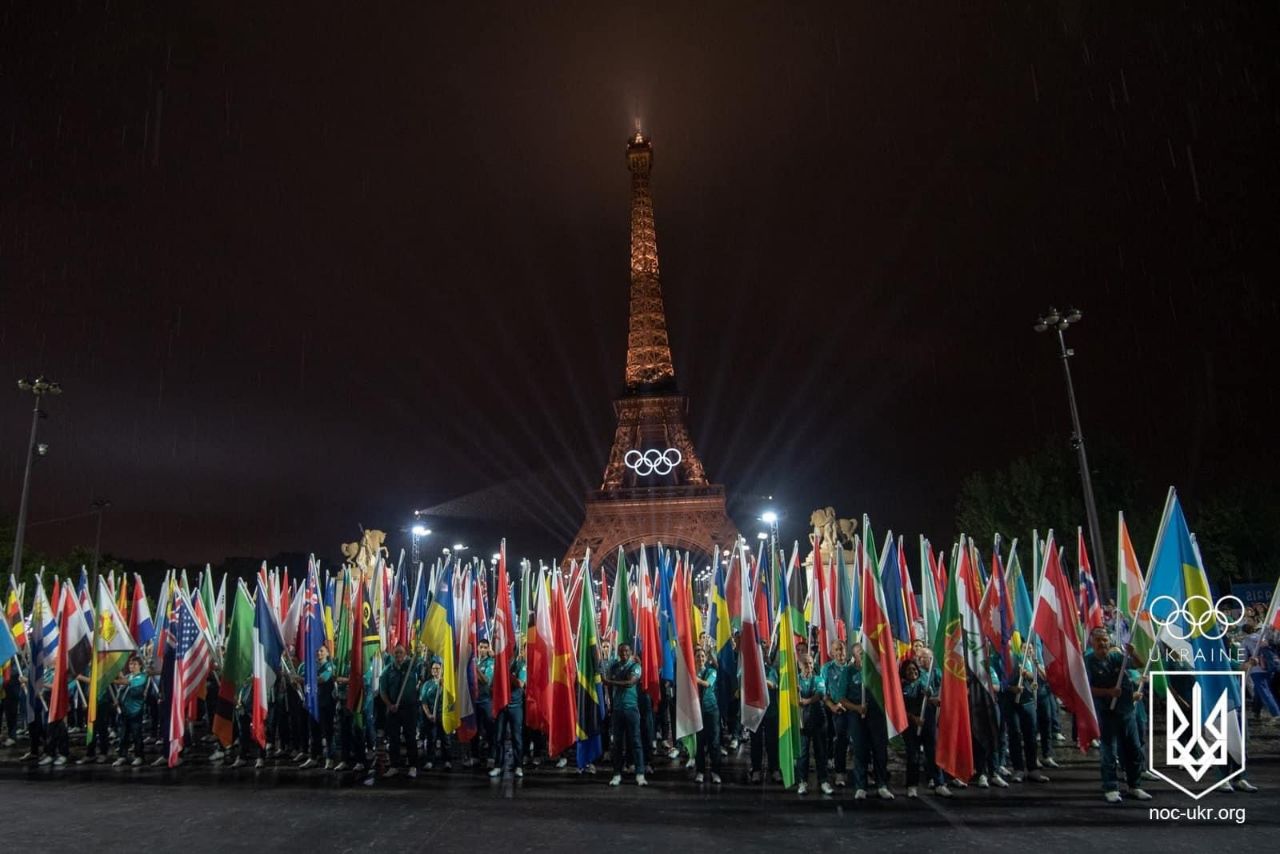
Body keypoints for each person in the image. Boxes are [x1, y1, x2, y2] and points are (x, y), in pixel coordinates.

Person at [1084, 626, 1150, 803]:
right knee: (1109, 751)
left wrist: (1132, 653)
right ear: (1092, 642)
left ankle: (1134, 785)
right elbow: (1086, 689)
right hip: (1106, 713)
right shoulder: (1088, 661)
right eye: (1098, 640)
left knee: (1134, 749)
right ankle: (1111, 787)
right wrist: (1108, 692)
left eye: (1105, 639)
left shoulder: (1116, 657)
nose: (1102, 643)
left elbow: (1138, 664)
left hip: (1126, 711)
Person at [843, 643, 892, 800]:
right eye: (859, 653)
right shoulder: (848, 671)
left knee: (880, 750)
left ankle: (882, 785)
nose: (863, 655)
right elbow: (841, 698)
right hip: (857, 715)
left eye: (865, 652)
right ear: (854, 655)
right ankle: (861, 786)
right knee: (860, 750)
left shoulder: (878, 671)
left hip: (876, 715)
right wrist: (857, 708)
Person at [604, 642, 646, 786]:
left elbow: (630, 682)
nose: (624, 654)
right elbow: (609, 686)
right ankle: (617, 774)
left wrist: (610, 681)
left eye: (626, 651)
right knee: (617, 743)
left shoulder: (635, 666)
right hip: (617, 710)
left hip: (631, 709)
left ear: (630, 652)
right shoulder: (614, 666)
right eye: (621, 651)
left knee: (635, 741)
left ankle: (640, 774)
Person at [378, 644, 419, 778]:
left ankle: (413, 766)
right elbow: (383, 691)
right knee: (393, 738)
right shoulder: (387, 670)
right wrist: (389, 705)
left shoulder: (412, 666)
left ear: (405, 654)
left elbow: (423, 666)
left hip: (409, 708)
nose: (399, 656)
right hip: (394, 709)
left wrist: (419, 651)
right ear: (392, 654)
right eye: (396, 653)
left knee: (410, 737)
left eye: (401, 653)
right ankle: (394, 766)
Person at [795, 652, 830, 795]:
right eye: (805, 663)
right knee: (802, 754)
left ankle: (823, 781)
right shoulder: (795, 680)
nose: (809, 666)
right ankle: (802, 781)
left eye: (810, 663)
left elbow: (820, 694)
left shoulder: (818, 678)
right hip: (802, 722)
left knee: (821, 752)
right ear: (799, 665)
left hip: (818, 720)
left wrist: (806, 701)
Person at [490, 653, 526, 778]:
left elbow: (521, 684)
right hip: (501, 706)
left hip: (515, 707)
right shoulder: (498, 666)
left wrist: (507, 674)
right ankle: (498, 766)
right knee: (499, 738)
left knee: (517, 738)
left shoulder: (520, 665)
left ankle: (518, 766)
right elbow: (492, 685)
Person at [301, 645, 336, 769]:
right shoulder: (312, 667)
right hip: (314, 704)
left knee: (328, 732)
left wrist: (303, 680)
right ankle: (314, 757)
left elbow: (322, 679)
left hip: (327, 704)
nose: (319, 653)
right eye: (318, 651)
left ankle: (330, 758)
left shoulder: (330, 666)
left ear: (327, 653)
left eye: (322, 651)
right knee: (314, 731)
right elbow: (306, 682)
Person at [822, 640, 850, 786]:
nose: (840, 652)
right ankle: (839, 772)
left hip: (850, 709)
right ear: (832, 653)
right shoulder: (827, 668)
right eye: (836, 650)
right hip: (832, 709)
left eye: (842, 649)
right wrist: (832, 706)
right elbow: (823, 691)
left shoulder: (851, 668)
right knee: (838, 739)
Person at [749, 650, 780, 783]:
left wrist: (759, 677)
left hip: (770, 712)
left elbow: (772, 684)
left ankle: (774, 769)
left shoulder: (771, 670)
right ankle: (756, 769)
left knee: (771, 742)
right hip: (754, 712)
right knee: (755, 742)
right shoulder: (748, 670)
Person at [692, 647, 722, 784]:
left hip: (711, 711)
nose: (700, 659)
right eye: (698, 656)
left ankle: (715, 772)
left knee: (714, 742)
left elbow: (707, 683)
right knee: (700, 742)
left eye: (702, 656)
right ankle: (700, 771)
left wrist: (692, 678)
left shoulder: (712, 671)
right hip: (697, 711)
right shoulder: (691, 672)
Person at [113, 656, 147, 766]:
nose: (132, 666)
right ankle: (122, 756)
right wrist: (117, 700)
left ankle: (139, 756)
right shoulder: (128, 676)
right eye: (130, 664)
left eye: (135, 664)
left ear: (140, 666)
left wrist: (112, 680)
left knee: (136, 734)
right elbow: (121, 690)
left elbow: (127, 683)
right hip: (124, 711)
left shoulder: (142, 677)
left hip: (135, 710)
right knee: (123, 735)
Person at [420, 660, 450, 770]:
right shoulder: (427, 684)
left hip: (443, 715)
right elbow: (423, 701)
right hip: (431, 716)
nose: (435, 671)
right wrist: (428, 715)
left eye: (438, 668)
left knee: (445, 739)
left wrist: (444, 685)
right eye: (433, 669)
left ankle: (447, 760)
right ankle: (430, 760)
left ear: (442, 670)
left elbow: (451, 698)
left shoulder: (447, 683)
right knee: (431, 739)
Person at [473, 639, 496, 768]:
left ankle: (491, 757)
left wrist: (476, 670)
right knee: (474, 730)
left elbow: (486, 680)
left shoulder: (491, 663)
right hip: (474, 701)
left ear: (488, 649)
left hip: (486, 701)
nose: (482, 649)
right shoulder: (474, 661)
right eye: (480, 647)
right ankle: (475, 756)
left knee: (489, 731)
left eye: (485, 647)